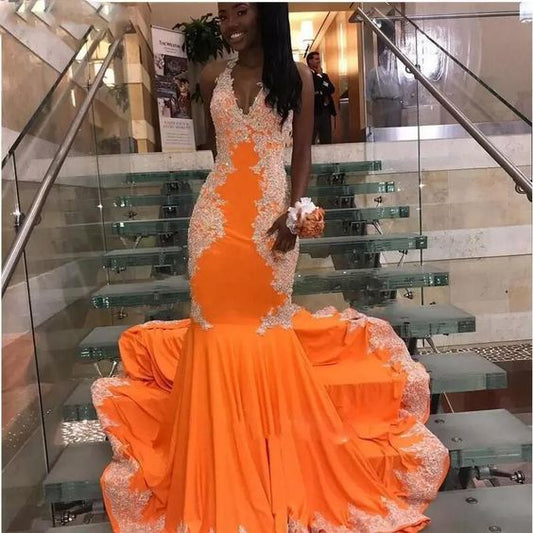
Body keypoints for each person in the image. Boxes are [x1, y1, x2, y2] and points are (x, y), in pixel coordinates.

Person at [92, 3, 449, 532]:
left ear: (265, 13)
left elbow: (302, 154)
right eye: (223, 16)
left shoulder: (296, 77)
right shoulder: (211, 76)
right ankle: (221, 470)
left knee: (265, 333)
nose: (230, 25)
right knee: (214, 332)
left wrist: (294, 211)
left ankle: (268, 463)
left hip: (270, 225)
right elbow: (219, 154)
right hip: (214, 225)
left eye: (240, 13)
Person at [365, 48, 403, 128]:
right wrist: (368, 105)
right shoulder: (374, 72)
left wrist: (403, 102)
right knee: (380, 128)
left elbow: (402, 87)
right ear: (381, 59)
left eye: (389, 58)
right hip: (379, 104)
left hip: (394, 104)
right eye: (385, 58)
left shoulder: (397, 72)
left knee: (394, 128)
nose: (387, 60)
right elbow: (368, 90)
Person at [306, 51, 336, 144]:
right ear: (310, 61)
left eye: (319, 59)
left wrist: (321, 78)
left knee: (326, 138)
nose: (319, 61)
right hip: (313, 111)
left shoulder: (324, 76)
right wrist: (319, 76)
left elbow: (331, 88)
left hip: (325, 111)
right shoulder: (307, 75)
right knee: (311, 137)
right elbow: (316, 86)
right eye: (316, 59)